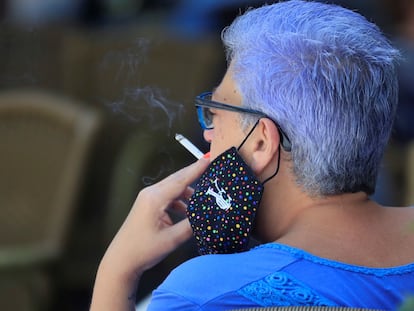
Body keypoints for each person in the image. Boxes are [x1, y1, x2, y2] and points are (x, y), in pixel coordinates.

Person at [90, 1, 414, 310]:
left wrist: (117, 271)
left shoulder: (205, 292)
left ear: (261, 143)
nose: (207, 133)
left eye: (214, 113)